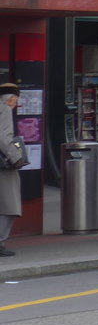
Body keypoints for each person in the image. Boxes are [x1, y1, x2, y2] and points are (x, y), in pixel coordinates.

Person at [0, 82, 23, 257]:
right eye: (15, 100)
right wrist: (17, 158)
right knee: (10, 205)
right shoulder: (4, 110)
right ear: (10, 99)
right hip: (3, 167)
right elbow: (4, 137)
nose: (15, 104)